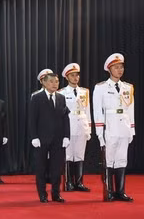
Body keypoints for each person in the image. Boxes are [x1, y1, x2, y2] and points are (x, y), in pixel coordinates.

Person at [93, 53, 134, 202]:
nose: (119, 70)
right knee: (109, 160)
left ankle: (120, 192)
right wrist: (99, 133)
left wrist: (132, 130)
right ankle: (109, 191)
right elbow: (98, 111)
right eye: (116, 67)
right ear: (109, 69)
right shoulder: (101, 88)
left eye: (121, 67)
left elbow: (131, 109)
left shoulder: (128, 87)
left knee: (122, 159)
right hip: (110, 127)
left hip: (124, 127)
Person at [29, 72, 70, 203]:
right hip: (41, 139)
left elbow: (65, 118)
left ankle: (56, 194)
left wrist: (66, 136)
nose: (54, 84)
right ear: (44, 83)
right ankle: (42, 194)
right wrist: (34, 137)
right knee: (41, 168)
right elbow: (32, 119)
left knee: (57, 168)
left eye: (56, 81)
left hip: (58, 139)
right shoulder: (37, 97)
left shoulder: (61, 98)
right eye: (51, 81)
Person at [59, 63, 91, 192]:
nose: (75, 77)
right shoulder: (62, 92)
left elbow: (87, 110)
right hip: (69, 125)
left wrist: (89, 129)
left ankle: (79, 182)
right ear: (67, 77)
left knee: (79, 154)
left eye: (77, 75)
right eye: (72, 75)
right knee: (68, 155)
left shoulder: (85, 91)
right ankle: (68, 183)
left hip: (82, 124)